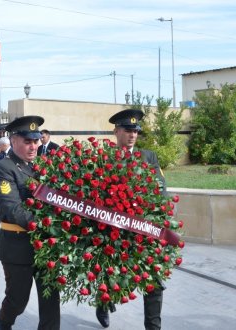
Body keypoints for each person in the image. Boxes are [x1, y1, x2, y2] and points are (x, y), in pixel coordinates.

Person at [95, 108, 167, 329]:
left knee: (153, 280)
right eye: (128, 130)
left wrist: (157, 216)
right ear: (116, 131)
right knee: (110, 277)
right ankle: (103, 305)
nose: (133, 134)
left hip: (144, 229)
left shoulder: (148, 156)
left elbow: (160, 189)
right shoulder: (104, 158)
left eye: (136, 130)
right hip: (114, 230)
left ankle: (153, 326)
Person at [0, 116, 60, 330]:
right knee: (17, 301)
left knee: (51, 303)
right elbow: (13, 209)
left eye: (36, 141)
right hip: (18, 246)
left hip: (47, 247)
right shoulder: (4, 167)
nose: (33, 146)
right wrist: (50, 226)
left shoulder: (43, 166)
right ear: (13, 141)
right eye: (28, 141)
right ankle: (5, 320)